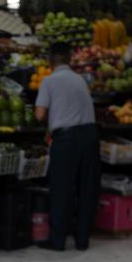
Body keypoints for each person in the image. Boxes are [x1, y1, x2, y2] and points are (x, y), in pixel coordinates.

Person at [34, 41, 101, 251]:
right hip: (90, 137)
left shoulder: (49, 81)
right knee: (86, 189)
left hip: (67, 139)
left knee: (62, 189)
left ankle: (58, 240)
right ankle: (82, 240)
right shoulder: (80, 79)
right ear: (70, 59)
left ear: (50, 60)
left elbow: (39, 114)